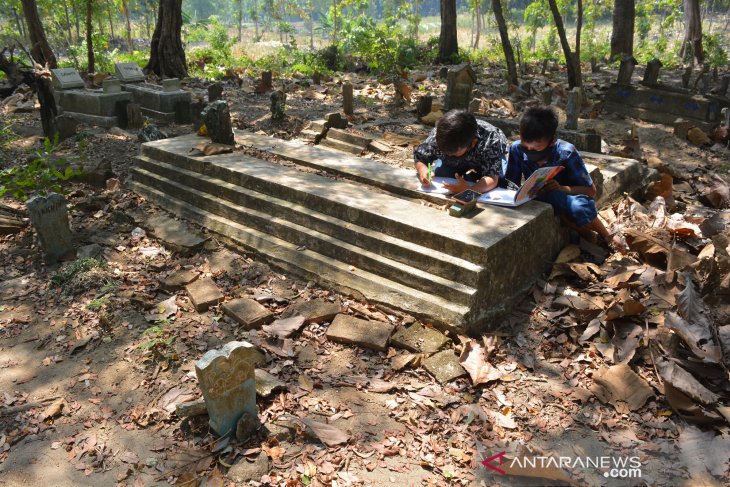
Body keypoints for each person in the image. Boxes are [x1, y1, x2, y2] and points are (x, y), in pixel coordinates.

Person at [506, 106, 627, 252]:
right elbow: (511, 183)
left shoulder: (566, 152)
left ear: (551, 141)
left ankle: (607, 236)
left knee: (575, 206)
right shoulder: (516, 149)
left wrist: (561, 188)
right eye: (526, 145)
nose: (529, 151)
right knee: (552, 199)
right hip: (537, 197)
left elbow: (590, 191)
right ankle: (586, 235)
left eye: (537, 148)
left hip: (569, 196)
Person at [414, 110, 508, 194]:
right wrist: (423, 170)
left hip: (485, 159)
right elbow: (420, 156)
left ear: (473, 143)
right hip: (451, 164)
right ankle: (468, 178)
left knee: (501, 181)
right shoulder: (439, 134)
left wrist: (469, 190)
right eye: (444, 151)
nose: (448, 154)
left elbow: (493, 178)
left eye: (453, 153)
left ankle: (473, 177)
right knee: (442, 175)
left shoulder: (490, 138)